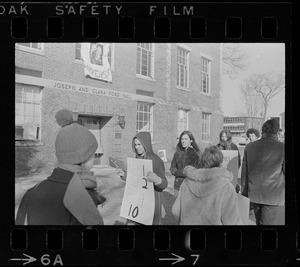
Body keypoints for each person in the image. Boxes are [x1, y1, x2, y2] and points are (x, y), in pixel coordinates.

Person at [16, 109, 105, 225]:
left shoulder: (32, 191)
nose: (95, 156)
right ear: (86, 158)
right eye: (93, 153)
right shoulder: (83, 199)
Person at [172, 145, 243, 225]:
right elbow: (232, 221)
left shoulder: (186, 182)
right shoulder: (226, 187)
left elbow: (175, 211)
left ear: (202, 161)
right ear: (220, 162)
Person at [117, 131, 168, 225]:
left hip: (152, 199)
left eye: (139, 144)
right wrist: (124, 175)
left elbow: (164, 183)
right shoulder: (137, 158)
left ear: (146, 144)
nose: (137, 147)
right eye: (135, 145)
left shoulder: (156, 160)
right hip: (138, 200)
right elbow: (137, 178)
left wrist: (157, 180)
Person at [241, 119, 285, 225]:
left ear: (262, 131)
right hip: (272, 194)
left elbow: (244, 173)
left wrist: (244, 192)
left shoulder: (249, 147)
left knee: (258, 222)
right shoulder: (282, 148)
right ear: (276, 132)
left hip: (254, 192)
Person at [170, 130, 201, 197]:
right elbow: (172, 168)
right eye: (182, 139)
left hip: (189, 186)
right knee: (177, 206)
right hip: (177, 186)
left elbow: (195, 172)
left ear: (191, 140)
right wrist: (181, 173)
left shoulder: (195, 154)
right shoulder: (177, 153)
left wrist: (178, 172)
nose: (183, 141)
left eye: (186, 139)